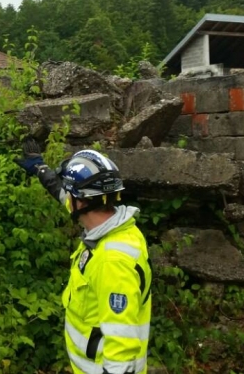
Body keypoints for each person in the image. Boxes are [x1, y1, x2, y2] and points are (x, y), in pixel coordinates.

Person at [16, 138, 152, 374]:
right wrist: (41, 170)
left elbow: (122, 348)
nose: (67, 200)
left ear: (81, 202)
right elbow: (63, 195)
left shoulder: (113, 262)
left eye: (71, 195)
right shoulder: (114, 226)